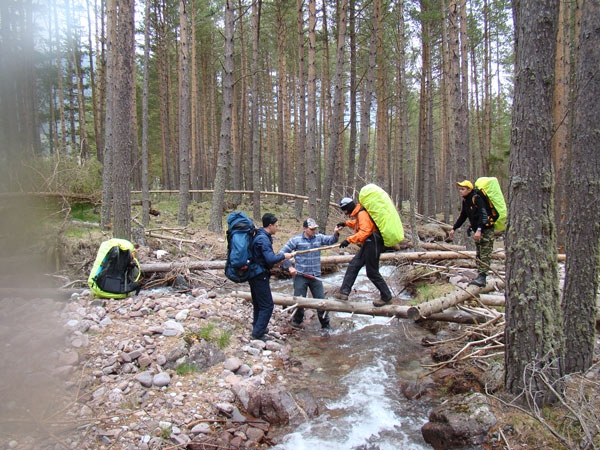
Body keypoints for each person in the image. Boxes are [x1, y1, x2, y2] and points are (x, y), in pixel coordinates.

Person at [280, 218, 344, 330]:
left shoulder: (319, 238)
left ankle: (325, 325)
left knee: (321, 301)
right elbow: (282, 253)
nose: (314, 230)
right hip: (300, 276)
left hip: (315, 276)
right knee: (299, 300)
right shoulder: (296, 240)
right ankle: (297, 322)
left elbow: (331, 241)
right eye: (311, 229)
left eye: (315, 228)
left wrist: (336, 232)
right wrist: (289, 267)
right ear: (305, 229)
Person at [333, 197, 394, 307]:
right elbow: (358, 224)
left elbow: (365, 231)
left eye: (344, 210)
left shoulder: (362, 214)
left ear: (349, 207)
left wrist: (349, 240)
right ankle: (344, 293)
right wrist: (346, 223)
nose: (345, 212)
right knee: (354, 265)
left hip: (373, 242)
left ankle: (387, 296)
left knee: (372, 272)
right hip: (369, 243)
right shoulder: (360, 213)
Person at [248, 213, 294, 341]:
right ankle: (257, 334)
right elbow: (270, 258)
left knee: (258, 303)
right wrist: (284, 256)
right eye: (276, 226)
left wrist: (277, 260)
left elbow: (265, 259)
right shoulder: (263, 239)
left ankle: (258, 326)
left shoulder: (259, 235)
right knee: (267, 305)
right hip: (259, 274)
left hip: (253, 273)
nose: (277, 228)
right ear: (270, 226)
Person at [449, 180, 494, 287]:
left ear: (469, 190)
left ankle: (483, 277)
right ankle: (480, 275)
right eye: (460, 189)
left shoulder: (476, 198)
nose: (460, 191)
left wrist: (479, 229)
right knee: (479, 253)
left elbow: (483, 214)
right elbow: (463, 216)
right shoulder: (466, 201)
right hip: (477, 230)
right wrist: (454, 228)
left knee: (485, 253)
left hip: (486, 230)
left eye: (463, 189)